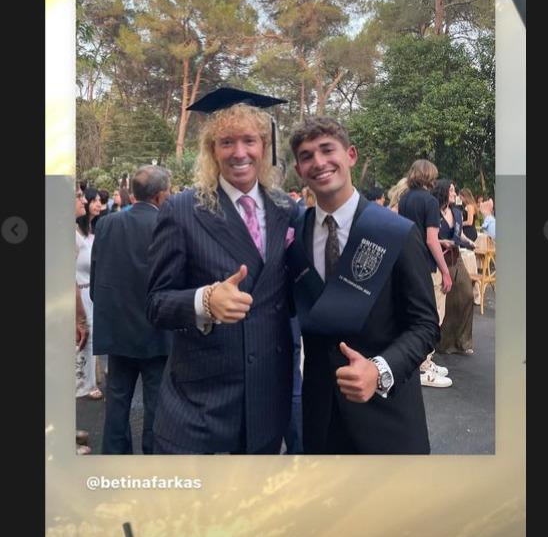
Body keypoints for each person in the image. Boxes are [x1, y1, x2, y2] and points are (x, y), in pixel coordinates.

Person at [146, 86, 297, 454]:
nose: (239, 152)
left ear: (264, 146)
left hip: (266, 398)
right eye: (227, 142)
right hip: (200, 402)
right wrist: (205, 300)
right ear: (212, 150)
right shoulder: (182, 211)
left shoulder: (285, 209)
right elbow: (156, 303)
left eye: (249, 140)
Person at [287, 117, 439, 454]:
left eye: (328, 150)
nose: (319, 162)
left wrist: (380, 369)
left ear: (351, 155)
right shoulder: (293, 233)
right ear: (299, 169)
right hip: (319, 420)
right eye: (307, 155)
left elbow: (426, 325)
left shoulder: (395, 231)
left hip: (386, 417)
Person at [91, 166, 172, 454]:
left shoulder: (106, 224)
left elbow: (97, 279)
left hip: (117, 330)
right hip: (157, 332)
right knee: (156, 408)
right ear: (162, 195)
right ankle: (151, 465)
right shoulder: (168, 225)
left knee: (116, 404)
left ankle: (114, 462)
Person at [398, 159, 453, 387]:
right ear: (430, 176)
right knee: (433, 315)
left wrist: (438, 240)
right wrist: (445, 271)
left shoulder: (405, 199)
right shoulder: (430, 201)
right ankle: (425, 364)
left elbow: (413, 231)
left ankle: (420, 362)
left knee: (414, 314)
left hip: (407, 262)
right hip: (426, 265)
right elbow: (430, 240)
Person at [431, 180, 476, 355]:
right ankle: (443, 343)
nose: (454, 194)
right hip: (440, 259)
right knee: (446, 302)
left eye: (454, 191)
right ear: (442, 192)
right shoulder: (433, 212)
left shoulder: (457, 213)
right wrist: (442, 242)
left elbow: (460, 234)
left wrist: (469, 242)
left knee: (467, 295)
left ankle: (463, 341)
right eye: (450, 190)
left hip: (456, 258)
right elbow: (431, 236)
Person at [75, 186, 102, 399]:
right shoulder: (70, 234)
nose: (85, 201)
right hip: (78, 297)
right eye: (80, 197)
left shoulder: (84, 232)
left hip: (88, 294)